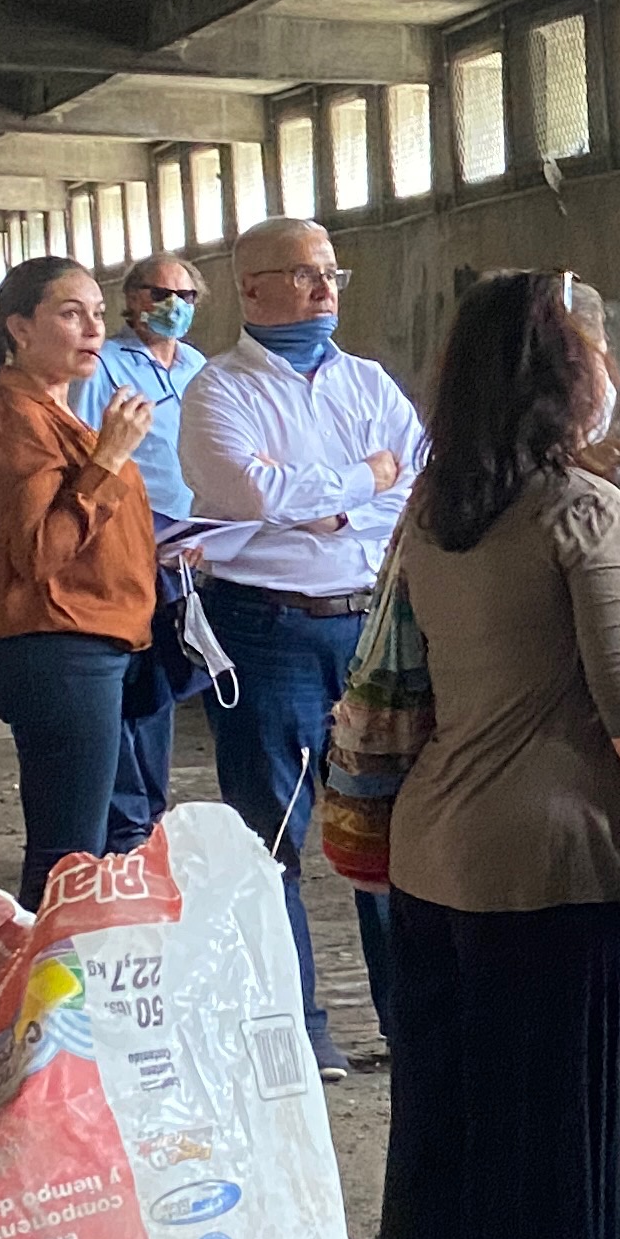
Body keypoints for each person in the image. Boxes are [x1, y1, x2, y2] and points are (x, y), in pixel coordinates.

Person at [366, 271, 620, 1239]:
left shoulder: (439, 510)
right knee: (566, 1121)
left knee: (472, 1111)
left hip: (436, 851)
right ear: (564, 381)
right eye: (593, 352)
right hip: (550, 862)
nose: (609, 370)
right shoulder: (582, 513)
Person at [179, 218, 429, 1078]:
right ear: (252, 290)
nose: (326, 289)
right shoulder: (219, 392)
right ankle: (301, 1031)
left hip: (370, 625)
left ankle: (413, 1026)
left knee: (392, 831)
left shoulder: (368, 383)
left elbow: (418, 489)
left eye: (331, 273)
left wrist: (332, 503)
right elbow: (251, 495)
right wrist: (368, 480)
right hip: (267, 628)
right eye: (303, 274)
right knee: (271, 838)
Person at [0, 258, 160, 908]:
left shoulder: (55, 413)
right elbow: (41, 550)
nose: (92, 328)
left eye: (97, 313)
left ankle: (74, 989)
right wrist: (111, 457)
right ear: (20, 327)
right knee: (68, 858)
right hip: (57, 650)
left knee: (99, 845)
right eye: (70, 313)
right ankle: (43, 1000)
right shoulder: (17, 418)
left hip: (92, 645)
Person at [71, 251, 208, 854]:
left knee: (163, 678)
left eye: (185, 296)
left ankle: (144, 812)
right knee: (128, 677)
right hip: (127, 538)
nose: (172, 306)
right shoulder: (104, 365)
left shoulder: (201, 369)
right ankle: (124, 818)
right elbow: (83, 449)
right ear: (131, 300)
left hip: (190, 545)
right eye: (158, 293)